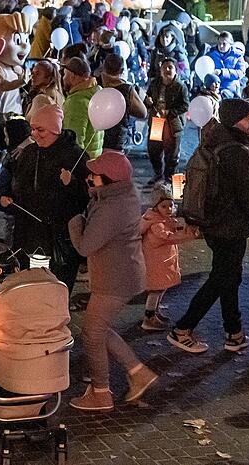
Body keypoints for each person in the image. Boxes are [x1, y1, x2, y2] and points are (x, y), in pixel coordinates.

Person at [168, 99, 249, 354]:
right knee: (221, 278)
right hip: (231, 226)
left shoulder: (214, 141)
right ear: (234, 120)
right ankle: (182, 329)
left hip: (214, 224)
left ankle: (234, 333)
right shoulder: (239, 152)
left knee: (229, 276)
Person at [68, 151, 156, 411]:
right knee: (99, 329)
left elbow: (85, 246)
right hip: (121, 274)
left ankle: (100, 393)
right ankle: (139, 373)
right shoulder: (119, 196)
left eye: (94, 175)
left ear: (107, 179)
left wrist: (75, 221)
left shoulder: (111, 208)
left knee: (92, 334)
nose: (90, 178)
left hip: (115, 279)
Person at [0, 103, 89, 292]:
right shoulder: (29, 153)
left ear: (55, 129)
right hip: (28, 230)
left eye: (41, 130)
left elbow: (86, 197)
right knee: (30, 284)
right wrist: (7, 199)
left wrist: (71, 183)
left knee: (55, 286)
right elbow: (17, 184)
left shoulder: (75, 156)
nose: (34, 134)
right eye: (32, 129)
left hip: (58, 235)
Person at [140, 185, 199, 332]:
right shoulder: (156, 224)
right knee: (156, 290)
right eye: (164, 206)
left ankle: (154, 312)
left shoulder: (163, 220)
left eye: (170, 205)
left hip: (162, 262)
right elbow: (168, 238)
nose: (168, 209)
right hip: (156, 263)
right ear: (156, 207)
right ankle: (149, 317)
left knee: (160, 288)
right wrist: (187, 235)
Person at [144, 58, 189, 184]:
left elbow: (185, 105)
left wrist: (170, 112)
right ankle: (158, 173)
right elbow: (147, 99)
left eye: (170, 67)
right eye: (165, 67)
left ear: (175, 70)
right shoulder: (155, 84)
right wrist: (148, 103)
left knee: (172, 153)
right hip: (157, 122)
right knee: (154, 150)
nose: (167, 70)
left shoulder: (180, 86)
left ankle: (169, 177)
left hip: (172, 123)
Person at [99, 54, 147, 151]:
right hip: (118, 139)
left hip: (97, 138)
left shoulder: (96, 83)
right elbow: (142, 112)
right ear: (121, 71)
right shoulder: (126, 89)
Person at [61, 56, 103, 159]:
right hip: (94, 159)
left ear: (73, 76)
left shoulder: (76, 102)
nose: (63, 78)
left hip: (82, 164)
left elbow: (74, 141)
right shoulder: (96, 93)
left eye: (65, 74)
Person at [208, 32, 245, 99]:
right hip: (214, 89)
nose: (221, 46)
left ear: (230, 44)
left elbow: (240, 72)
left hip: (231, 89)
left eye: (224, 44)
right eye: (219, 43)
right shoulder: (210, 54)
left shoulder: (237, 55)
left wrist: (222, 72)